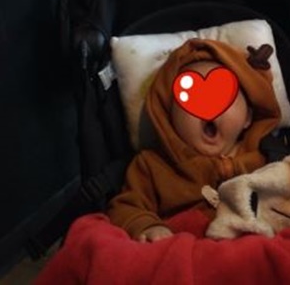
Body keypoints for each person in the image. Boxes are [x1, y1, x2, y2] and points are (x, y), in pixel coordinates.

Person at [107, 38, 281, 242]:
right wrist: (149, 226)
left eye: (222, 94)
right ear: (170, 117)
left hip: (252, 246)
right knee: (91, 231)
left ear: (247, 118)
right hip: (184, 250)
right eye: (191, 96)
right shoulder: (152, 166)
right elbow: (126, 207)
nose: (208, 105)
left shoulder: (266, 159)